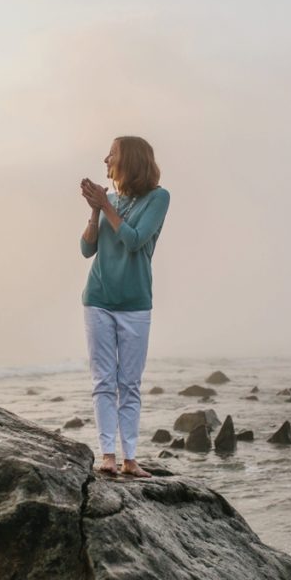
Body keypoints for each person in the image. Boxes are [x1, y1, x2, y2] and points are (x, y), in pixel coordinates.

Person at [79, 136, 170, 478]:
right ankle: (107, 455)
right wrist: (95, 209)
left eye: (112, 154)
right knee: (103, 380)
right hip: (98, 299)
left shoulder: (158, 198)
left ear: (129, 160)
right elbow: (87, 250)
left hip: (134, 303)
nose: (106, 159)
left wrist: (106, 206)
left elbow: (134, 240)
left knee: (129, 383)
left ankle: (129, 458)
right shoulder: (109, 202)